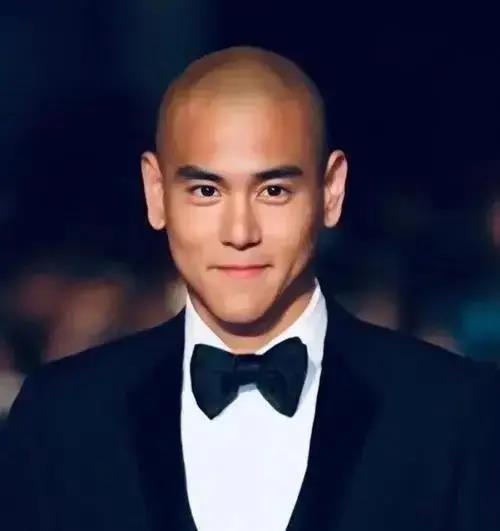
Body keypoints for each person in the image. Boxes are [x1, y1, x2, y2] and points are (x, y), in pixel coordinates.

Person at [1, 46, 500, 531]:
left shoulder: (454, 414)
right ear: (156, 193)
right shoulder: (61, 419)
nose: (240, 232)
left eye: (274, 191)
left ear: (331, 191)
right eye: (206, 191)